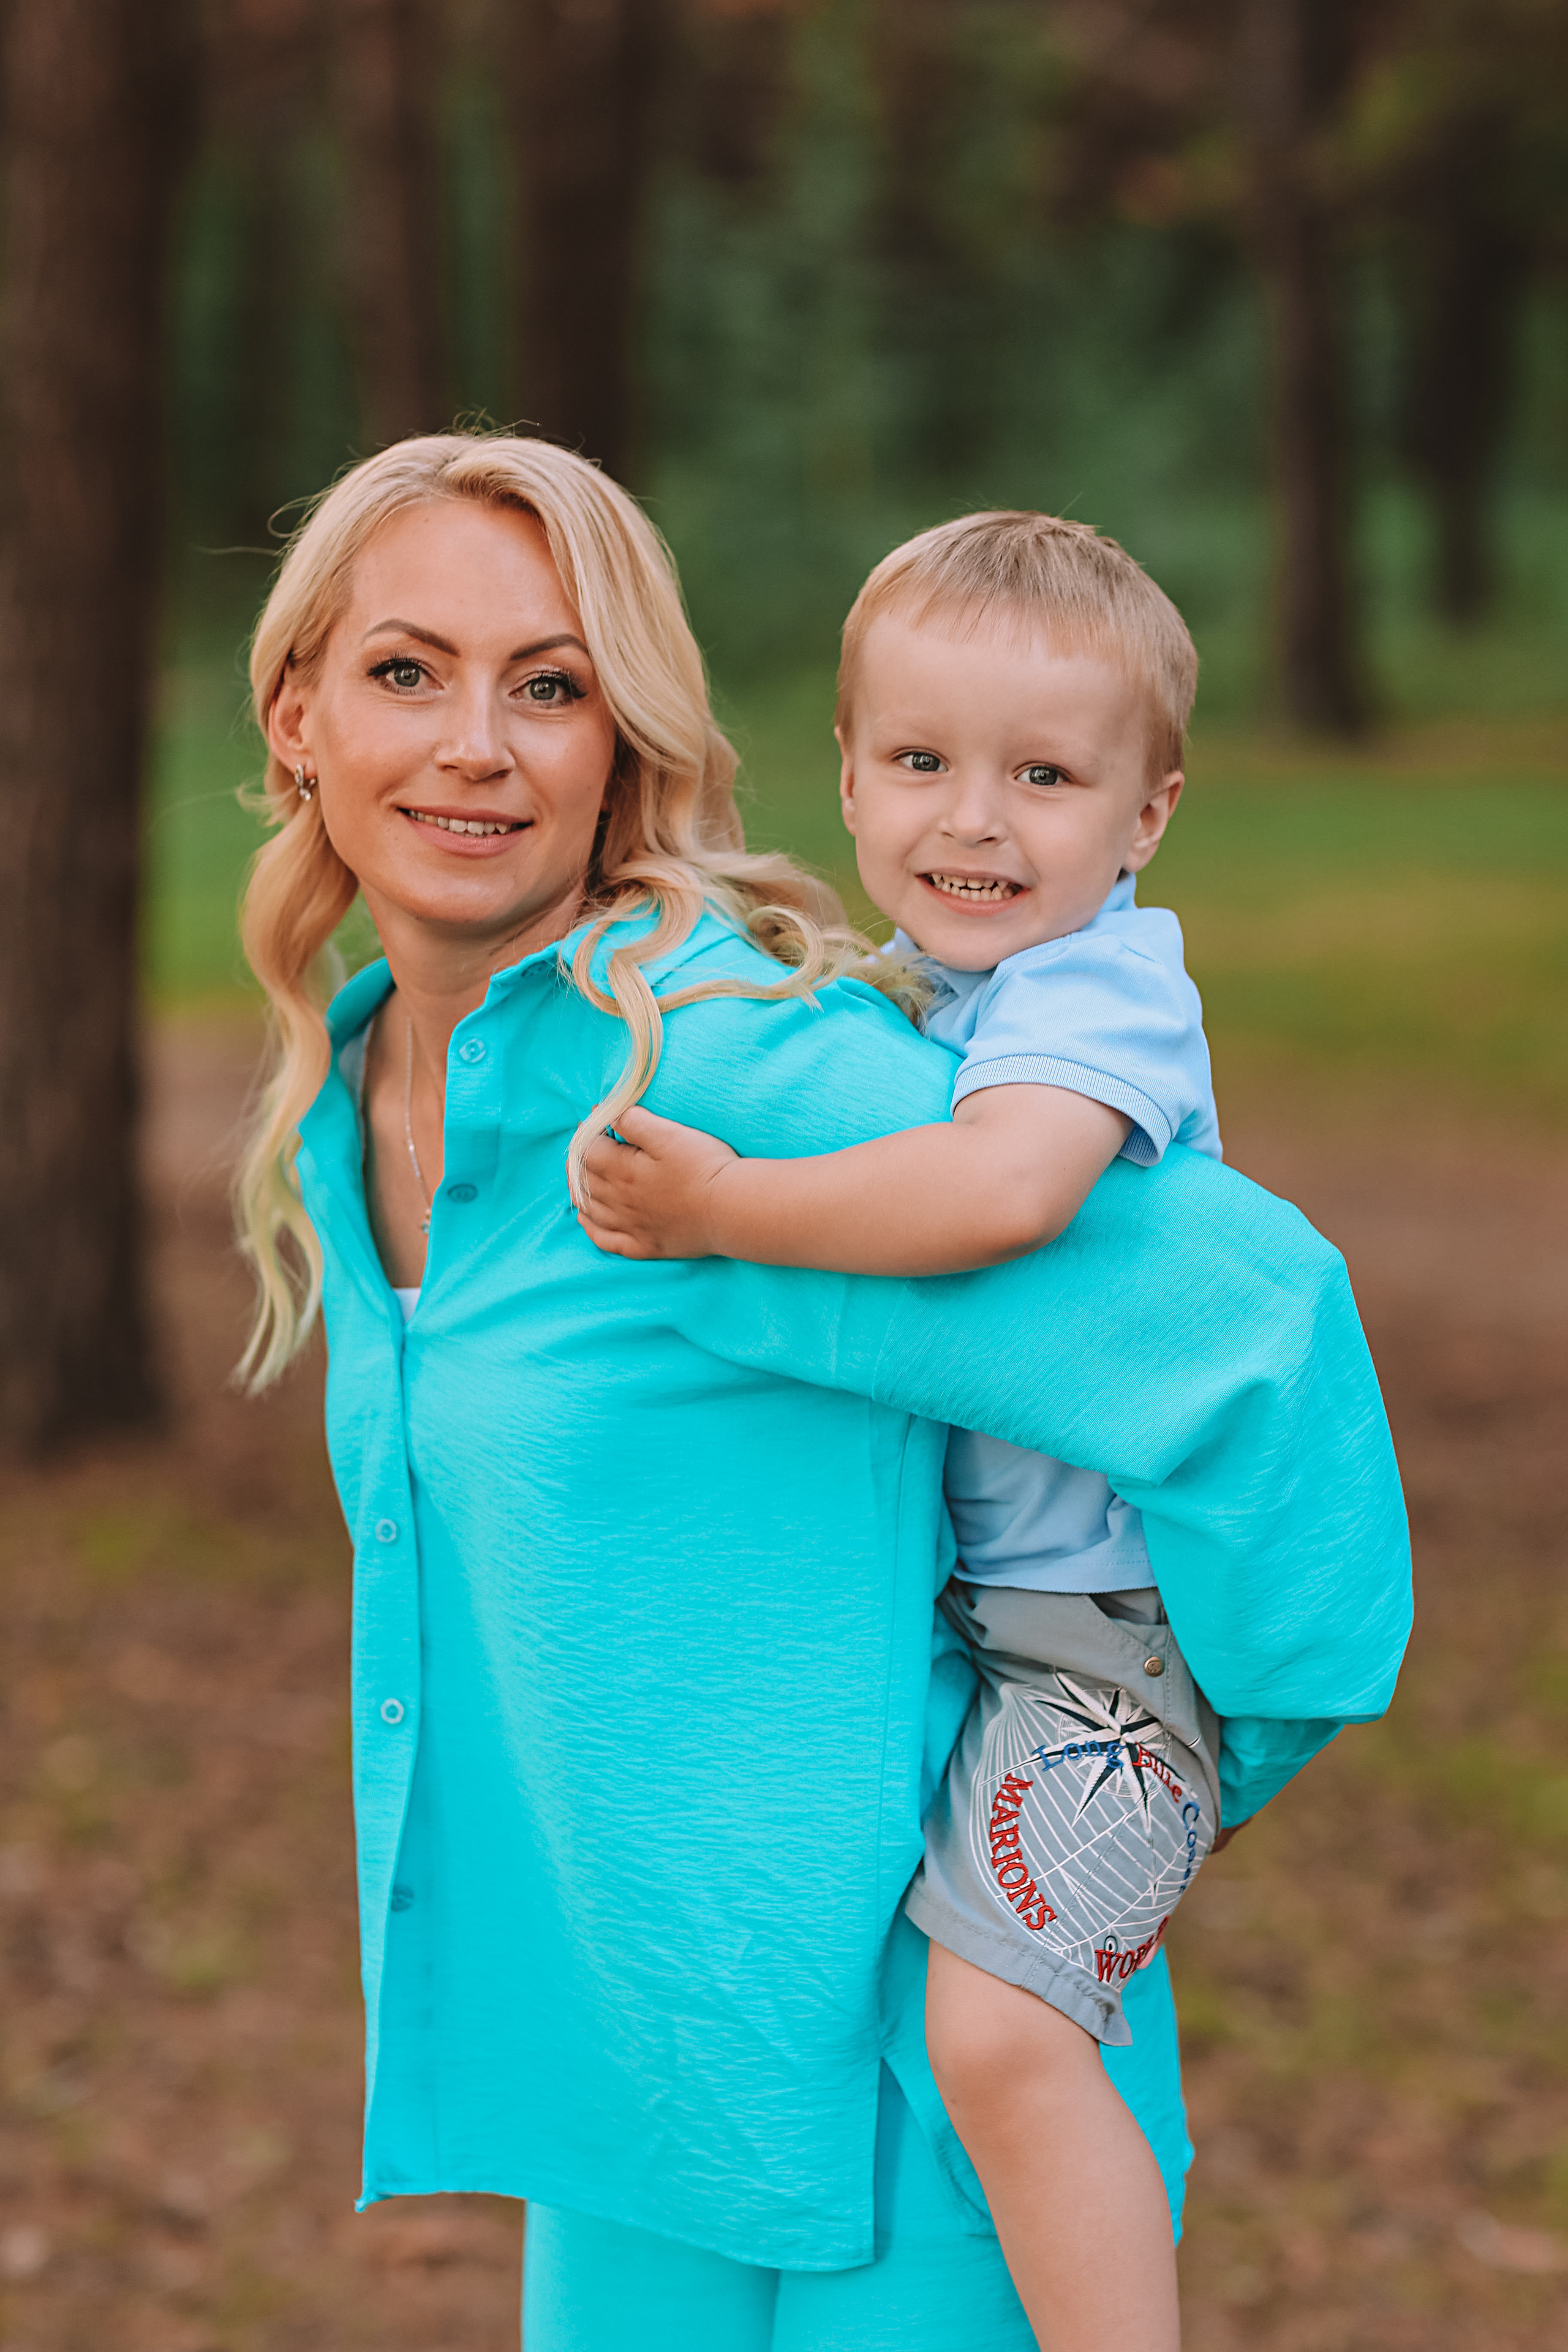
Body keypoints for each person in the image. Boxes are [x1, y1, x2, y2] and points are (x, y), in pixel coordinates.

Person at [236, 432, 1410, 2352]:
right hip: (632, 2105)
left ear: (623, 746)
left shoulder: (707, 1080)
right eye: (403, 671)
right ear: (298, 719)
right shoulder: (358, 1098)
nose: (476, 743)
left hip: (911, 2118)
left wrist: (1183, 1752)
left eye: (550, 686)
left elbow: (1254, 1331)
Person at [577, 511, 1234, 2346]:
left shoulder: (1103, 992)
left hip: (1107, 1661)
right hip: (972, 1632)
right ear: (851, 781)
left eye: (1044, 775)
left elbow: (1005, 1191)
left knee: (999, 2039)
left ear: (1145, 815)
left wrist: (726, 1215)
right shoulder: (919, 996)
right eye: (925, 763)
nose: (978, 820)